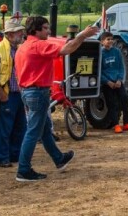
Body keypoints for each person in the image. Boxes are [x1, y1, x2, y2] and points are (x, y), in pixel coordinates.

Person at [14, 16, 98, 182]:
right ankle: (23, 169)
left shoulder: (23, 46)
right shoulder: (38, 45)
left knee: (44, 131)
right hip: (37, 92)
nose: (49, 31)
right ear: (36, 30)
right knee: (33, 132)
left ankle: (59, 159)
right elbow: (66, 50)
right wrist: (82, 35)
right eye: (45, 28)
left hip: (28, 91)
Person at [0, 18, 27, 168]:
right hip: (8, 94)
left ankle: (14, 155)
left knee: (20, 127)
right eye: (18, 32)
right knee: (5, 128)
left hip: (19, 94)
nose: (22, 34)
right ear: (9, 34)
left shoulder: (19, 49)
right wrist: (1, 93)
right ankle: (3, 158)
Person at [99, 31, 128, 133]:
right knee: (112, 103)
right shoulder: (100, 54)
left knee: (124, 99)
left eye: (111, 39)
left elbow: (121, 68)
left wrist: (120, 80)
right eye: (108, 39)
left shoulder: (117, 51)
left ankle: (126, 123)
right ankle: (116, 124)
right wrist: (107, 81)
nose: (110, 41)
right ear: (102, 42)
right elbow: (99, 71)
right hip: (108, 83)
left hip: (118, 82)